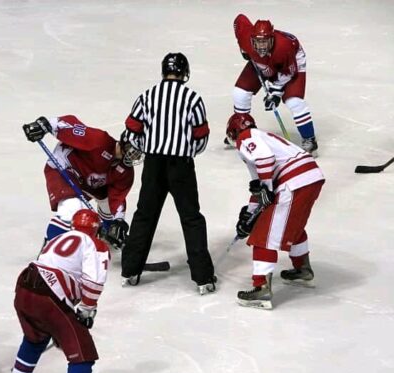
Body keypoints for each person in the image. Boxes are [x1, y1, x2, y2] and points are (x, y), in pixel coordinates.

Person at [120, 52, 216, 295]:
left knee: (144, 215)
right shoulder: (192, 98)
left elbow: (131, 130)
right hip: (181, 165)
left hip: (153, 165)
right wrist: (186, 151)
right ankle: (203, 278)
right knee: (191, 218)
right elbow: (201, 136)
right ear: (185, 72)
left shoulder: (147, 95)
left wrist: (147, 147)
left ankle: (131, 271)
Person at [225, 113, 325, 309]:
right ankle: (302, 270)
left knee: (264, 234)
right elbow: (258, 184)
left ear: (234, 132)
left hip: (294, 181)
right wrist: (250, 214)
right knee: (292, 226)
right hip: (310, 177)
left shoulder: (247, 137)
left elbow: (265, 161)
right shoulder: (264, 137)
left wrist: (267, 190)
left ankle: (261, 288)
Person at [10, 209, 110, 373]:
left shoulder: (56, 239)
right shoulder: (95, 244)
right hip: (49, 296)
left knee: (35, 339)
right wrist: (86, 310)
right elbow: (94, 283)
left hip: (24, 286)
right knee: (82, 354)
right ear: (95, 229)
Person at [22, 114, 142, 249]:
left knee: (109, 206)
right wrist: (44, 124)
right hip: (65, 169)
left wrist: (118, 222)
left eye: (139, 154)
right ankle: (48, 252)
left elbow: (117, 198)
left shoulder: (126, 171)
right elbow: (71, 124)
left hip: (88, 180)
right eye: (133, 151)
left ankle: (106, 235)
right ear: (124, 143)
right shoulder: (99, 141)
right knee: (71, 208)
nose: (135, 156)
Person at [231, 14, 319, 156]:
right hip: (263, 63)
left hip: (291, 64)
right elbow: (239, 20)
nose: (261, 46)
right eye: (258, 42)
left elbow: (289, 73)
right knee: (239, 93)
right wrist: (243, 49)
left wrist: (275, 93)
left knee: (294, 102)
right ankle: (242, 132)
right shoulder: (246, 38)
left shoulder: (284, 47)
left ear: (272, 39)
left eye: (265, 42)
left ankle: (309, 139)